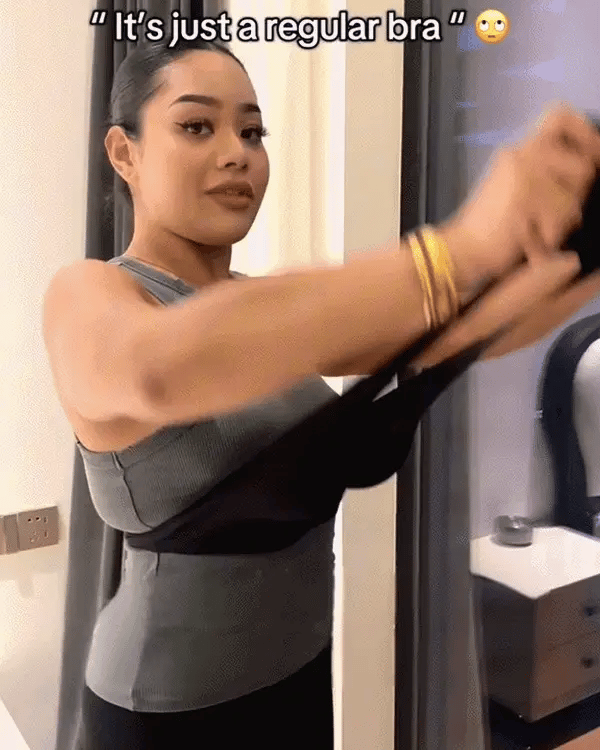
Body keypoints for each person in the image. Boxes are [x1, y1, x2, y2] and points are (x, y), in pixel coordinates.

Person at [42, 37, 600, 750]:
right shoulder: (89, 294)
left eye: (252, 132)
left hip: (298, 676)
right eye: (196, 126)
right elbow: (156, 367)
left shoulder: (265, 308)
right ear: (125, 153)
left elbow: (453, 339)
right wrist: (461, 248)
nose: (236, 153)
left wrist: (571, 252)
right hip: (166, 711)